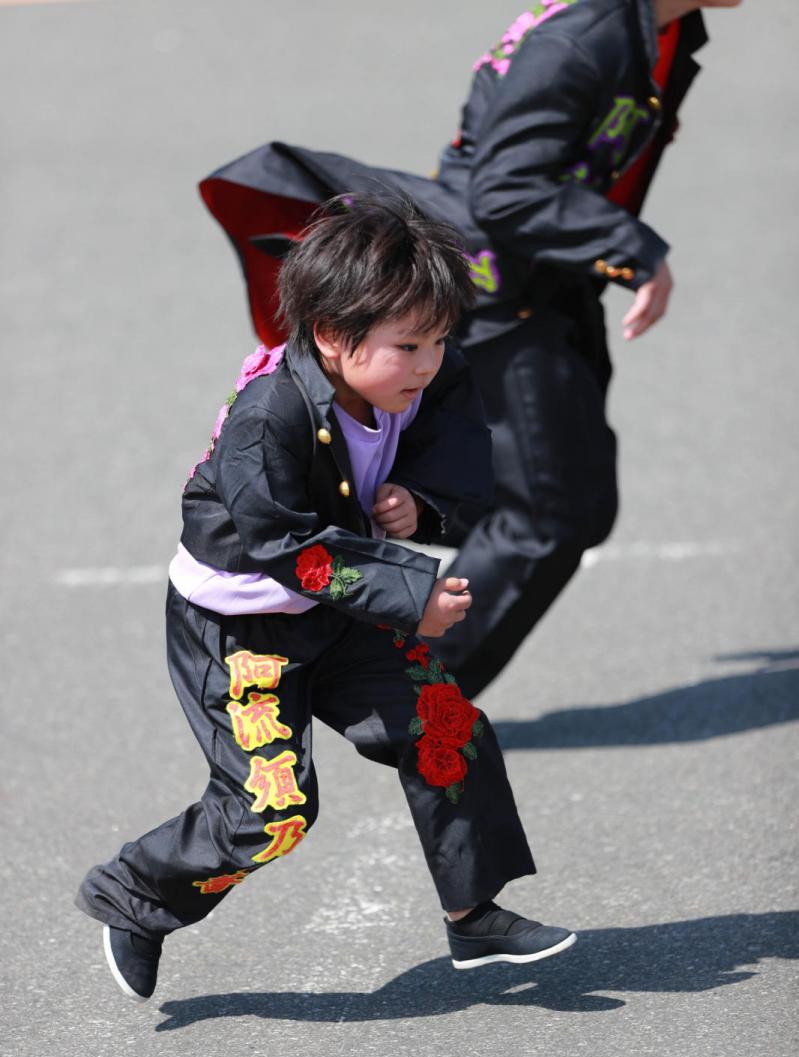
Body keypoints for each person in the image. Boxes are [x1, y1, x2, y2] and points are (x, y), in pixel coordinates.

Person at [75, 196, 576, 1002]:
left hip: (340, 609)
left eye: (440, 339)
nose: (427, 362)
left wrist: (419, 499)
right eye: (408, 345)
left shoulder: (417, 375)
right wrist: (413, 595)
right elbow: (284, 548)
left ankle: (472, 915)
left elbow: (454, 447)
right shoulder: (266, 416)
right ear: (333, 340)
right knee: (270, 814)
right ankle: (135, 898)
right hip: (241, 630)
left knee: (445, 726)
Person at [196, 0, 741, 698]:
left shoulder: (643, 25)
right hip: (501, 292)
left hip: (544, 279)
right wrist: (630, 249)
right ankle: (405, 692)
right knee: (545, 517)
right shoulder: (580, 42)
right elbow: (506, 189)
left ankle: (387, 547)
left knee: (573, 505)